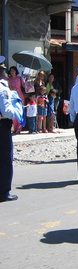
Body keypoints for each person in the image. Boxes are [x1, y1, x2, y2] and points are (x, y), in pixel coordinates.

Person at [0, 56, 22, 202]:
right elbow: (7, 111)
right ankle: (4, 191)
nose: (6, 73)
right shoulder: (2, 88)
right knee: (5, 158)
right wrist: (17, 109)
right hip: (2, 125)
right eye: (3, 70)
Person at [7, 66, 25, 133]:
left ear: (16, 71)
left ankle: (19, 128)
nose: (12, 72)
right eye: (11, 71)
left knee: (20, 111)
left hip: (20, 96)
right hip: (13, 96)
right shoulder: (9, 79)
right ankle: (14, 127)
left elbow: (24, 85)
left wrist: (28, 79)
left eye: (13, 71)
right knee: (14, 112)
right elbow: (8, 87)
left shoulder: (19, 78)